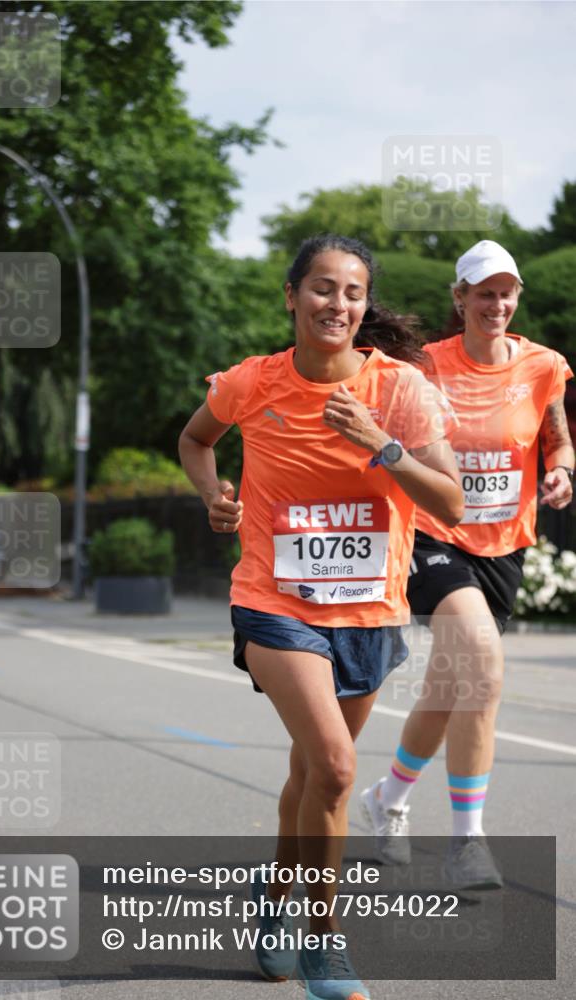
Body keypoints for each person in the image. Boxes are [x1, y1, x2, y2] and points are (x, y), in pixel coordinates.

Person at [179, 234, 463, 1000]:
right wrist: (213, 494)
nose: (337, 304)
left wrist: (382, 447)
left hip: (369, 610)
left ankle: (274, 899)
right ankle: (324, 942)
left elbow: (451, 503)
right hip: (273, 601)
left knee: (311, 771)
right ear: (291, 295)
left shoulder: (399, 390)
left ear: (364, 304)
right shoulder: (252, 382)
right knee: (337, 767)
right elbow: (195, 439)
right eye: (322, 289)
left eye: (352, 293)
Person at [360, 239, 574, 889]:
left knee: (453, 687)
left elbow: (556, 437)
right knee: (480, 662)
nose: (497, 303)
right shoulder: (422, 366)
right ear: (459, 299)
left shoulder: (542, 366)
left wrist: (561, 471)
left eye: (506, 292)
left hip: (502, 546)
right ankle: (466, 843)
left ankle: (385, 800)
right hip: (432, 534)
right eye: (483, 292)